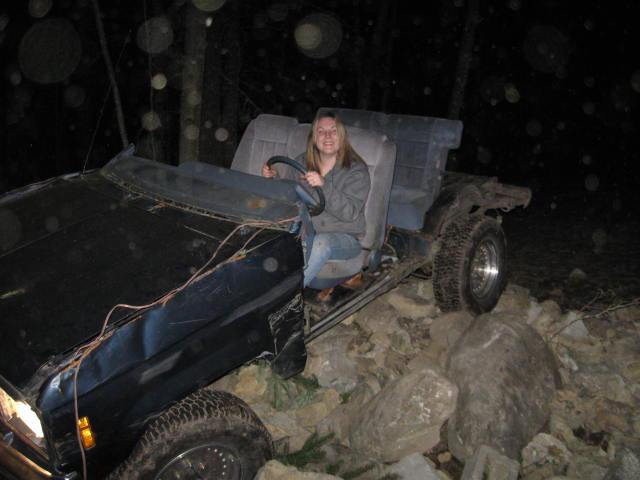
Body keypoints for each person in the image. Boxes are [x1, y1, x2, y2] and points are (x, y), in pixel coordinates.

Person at [262, 112, 371, 290]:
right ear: (314, 137)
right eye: (321, 131)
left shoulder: (356, 170)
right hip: (305, 231)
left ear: (341, 136)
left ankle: (286, 294)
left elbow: (350, 213)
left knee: (320, 244)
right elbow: (288, 197)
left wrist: (324, 185)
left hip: (344, 237)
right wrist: (273, 179)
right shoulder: (302, 162)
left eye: (333, 131)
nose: (327, 136)